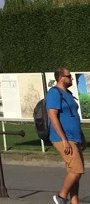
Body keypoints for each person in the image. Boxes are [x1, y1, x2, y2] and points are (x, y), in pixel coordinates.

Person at [47, 67, 86, 204]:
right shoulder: (54, 93)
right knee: (77, 170)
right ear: (61, 78)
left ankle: (74, 201)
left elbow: (74, 116)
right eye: (69, 76)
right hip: (63, 138)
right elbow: (52, 116)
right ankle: (61, 197)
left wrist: (82, 137)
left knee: (74, 172)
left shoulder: (68, 93)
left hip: (74, 137)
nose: (71, 78)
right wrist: (64, 140)